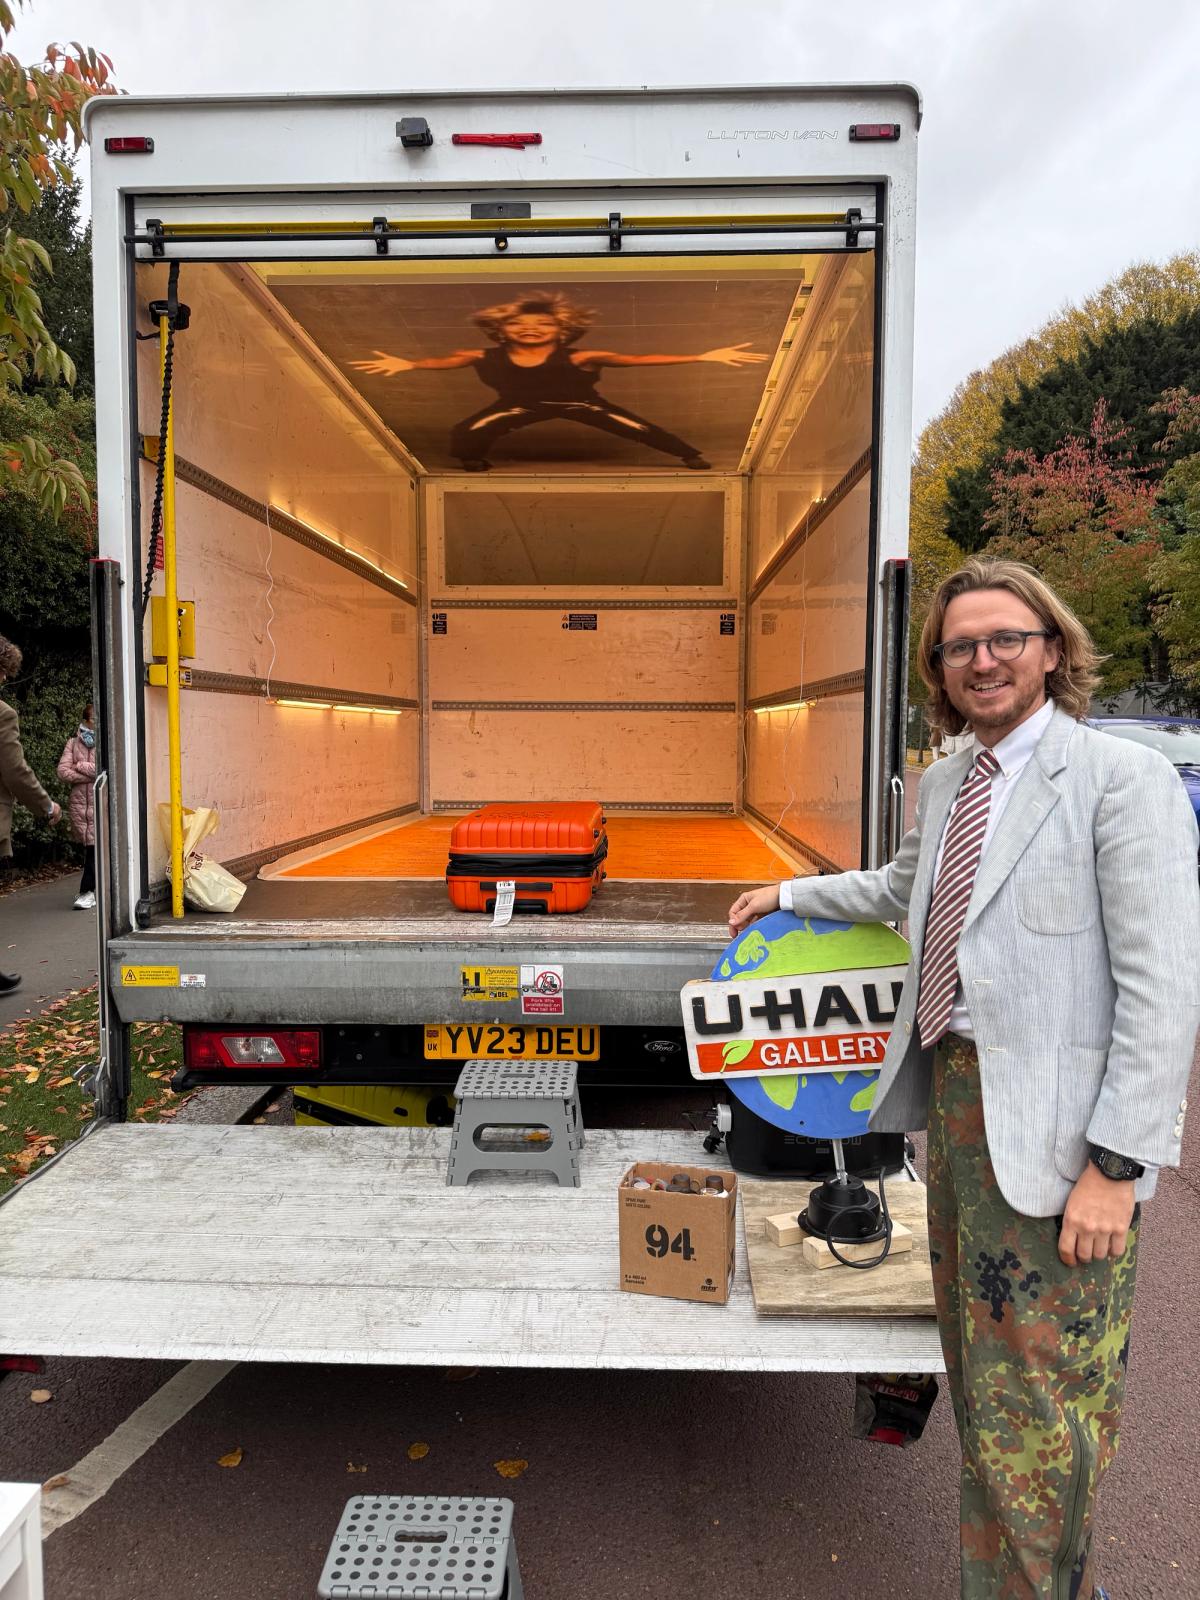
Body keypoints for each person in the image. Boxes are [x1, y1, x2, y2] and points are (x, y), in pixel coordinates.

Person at [728, 558, 1200, 1600]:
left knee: (1043, 1395)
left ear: (1052, 648)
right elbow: (902, 888)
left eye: (1005, 638)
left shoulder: (1123, 783)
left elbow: (1164, 990)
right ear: (939, 671)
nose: (982, 659)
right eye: (959, 647)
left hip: (1060, 1139)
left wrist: (1116, 1167)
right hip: (954, 1104)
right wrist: (787, 893)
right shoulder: (950, 781)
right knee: (985, 1381)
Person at [349, 289, 768, 470]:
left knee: (637, 428)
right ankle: (473, 459)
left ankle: (688, 456)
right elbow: (448, 360)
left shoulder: (583, 356)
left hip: (581, 404)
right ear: (503, 330)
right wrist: (409, 365)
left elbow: (638, 358)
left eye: (541, 324)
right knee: (468, 430)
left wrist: (703, 356)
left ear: (559, 331)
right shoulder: (485, 355)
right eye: (521, 324)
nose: (530, 329)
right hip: (518, 405)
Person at [0, 634, 63, 995]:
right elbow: (15, 771)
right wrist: (46, 806)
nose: (6, 679)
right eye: (4, 672)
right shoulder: (3, 714)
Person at [57, 701, 97, 911]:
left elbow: (105, 769)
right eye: (93, 719)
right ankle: (92, 890)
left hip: (100, 802)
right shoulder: (73, 743)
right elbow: (63, 772)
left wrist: (80, 766)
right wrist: (91, 775)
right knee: (91, 847)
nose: (96, 723)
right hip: (80, 806)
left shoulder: (108, 740)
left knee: (94, 847)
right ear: (85, 721)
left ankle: (87, 890)